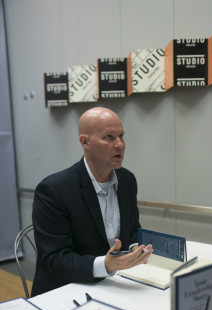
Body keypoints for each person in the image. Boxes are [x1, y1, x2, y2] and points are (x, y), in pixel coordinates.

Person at [31, 107, 152, 297]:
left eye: (121, 136)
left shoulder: (127, 180)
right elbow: (53, 260)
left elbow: (133, 230)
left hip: (113, 285)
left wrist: (135, 249)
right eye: (109, 137)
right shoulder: (53, 190)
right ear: (85, 141)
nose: (120, 144)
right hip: (65, 291)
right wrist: (105, 264)